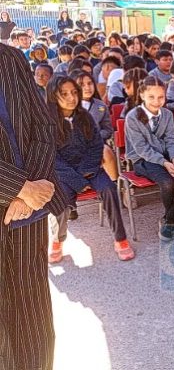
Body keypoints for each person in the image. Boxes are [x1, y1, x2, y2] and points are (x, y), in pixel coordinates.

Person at [0, 42, 70, 370]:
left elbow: (43, 126)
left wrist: (33, 189)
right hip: (15, 195)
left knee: (33, 301)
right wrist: (17, 188)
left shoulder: (10, 57)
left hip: (28, 206)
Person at [48, 75, 134, 263]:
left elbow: (97, 146)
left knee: (109, 189)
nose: (71, 97)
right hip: (65, 175)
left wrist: (87, 172)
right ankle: (57, 240)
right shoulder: (47, 123)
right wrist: (78, 180)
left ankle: (120, 238)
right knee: (60, 203)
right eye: (64, 94)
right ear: (54, 96)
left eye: (73, 92)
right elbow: (52, 158)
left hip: (91, 169)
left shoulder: (85, 117)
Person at [124, 76, 174, 241]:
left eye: (161, 97)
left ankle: (168, 218)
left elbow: (171, 140)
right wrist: (164, 163)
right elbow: (141, 149)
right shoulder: (132, 117)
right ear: (142, 95)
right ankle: (173, 219)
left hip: (167, 155)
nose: (156, 101)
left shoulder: (167, 114)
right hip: (142, 159)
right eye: (151, 97)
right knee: (168, 181)